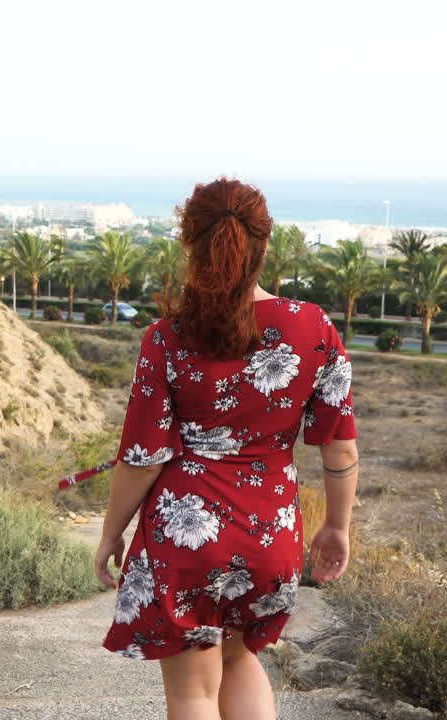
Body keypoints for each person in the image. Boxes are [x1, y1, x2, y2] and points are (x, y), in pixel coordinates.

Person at [94, 177, 359, 720]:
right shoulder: (314, 328)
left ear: (191, 244)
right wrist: (337, 526)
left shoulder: (166, 338)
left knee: (193, 692)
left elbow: (142, 459)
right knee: (240, 658)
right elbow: (339, 448)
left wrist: (110, 532)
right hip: (271, 534)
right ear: (263, 245)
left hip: (184, 536)